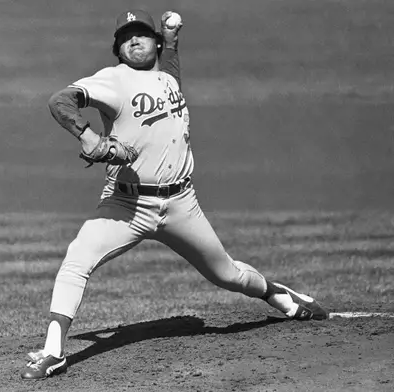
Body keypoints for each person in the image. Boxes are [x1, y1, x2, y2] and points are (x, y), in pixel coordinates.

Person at [20, 9, 328, 380]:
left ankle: (279, 295)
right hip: (126, 204)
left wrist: (174, 41)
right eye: (125, 37)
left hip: (183, 204)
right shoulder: (112, 80)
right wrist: (92, 140)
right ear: (117, 48)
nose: (133, 41)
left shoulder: (167, 77)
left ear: (157, 43)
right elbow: (60, 101)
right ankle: (54, 352)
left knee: (227, 274)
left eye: (141, 34)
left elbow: (171, 77)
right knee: (76, 260)